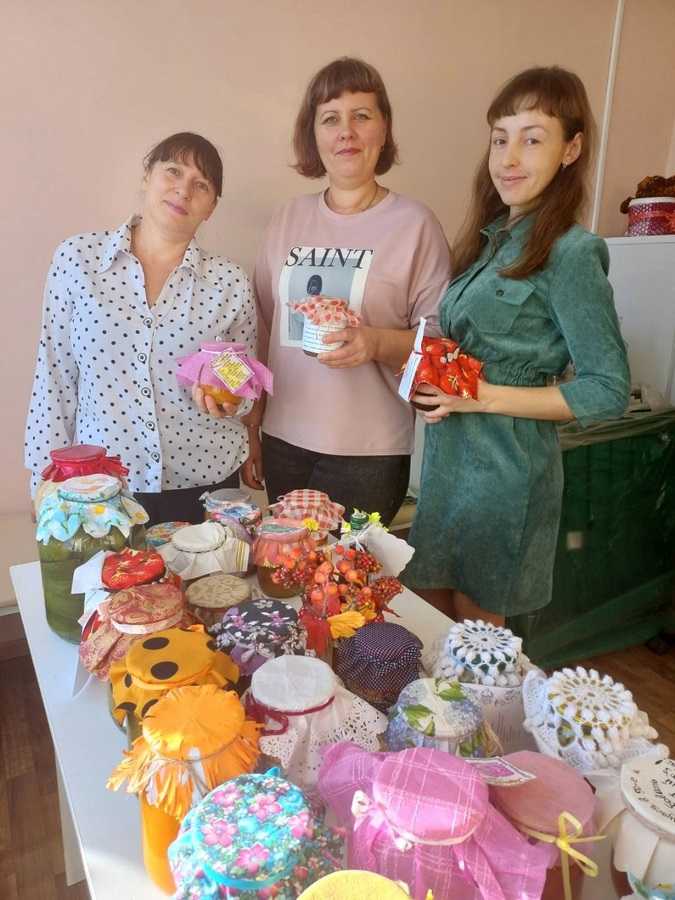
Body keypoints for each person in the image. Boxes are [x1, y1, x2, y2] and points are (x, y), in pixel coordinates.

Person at [403, 66, 630, 625]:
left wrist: (482, 396)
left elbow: (607, 390)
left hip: (506, 476)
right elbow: (474, 349)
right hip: (448, 465)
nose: (509, 158)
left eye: (532, 140)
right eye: (500, 139)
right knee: (430, 619)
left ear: (571, 149)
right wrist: (433, 377)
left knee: (476, 645)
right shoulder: (489, 243)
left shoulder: (572, 253)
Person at [252, 57, 451, 525]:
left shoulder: (415, 224)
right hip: (284, 441)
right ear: (313, 135)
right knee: (288, 564)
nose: (346, 132)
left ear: (384, 130)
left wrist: (375, 342)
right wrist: (251, 428)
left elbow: (439, 344)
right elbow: (261, 327)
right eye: (330, 119)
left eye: (362, 116)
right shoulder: (286, 219)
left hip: (371, 452)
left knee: (352, 572)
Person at [25, 132, 259, 524]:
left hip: (207, 486)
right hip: (102, 488)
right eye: (173, 172)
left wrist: (231, 398)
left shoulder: (229, 283)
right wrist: (42, 480)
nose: (184, 190)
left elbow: (243, 384)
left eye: (201, 185)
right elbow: (54, 375)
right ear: (147, 176)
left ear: (211, 207)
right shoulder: (79, 260)